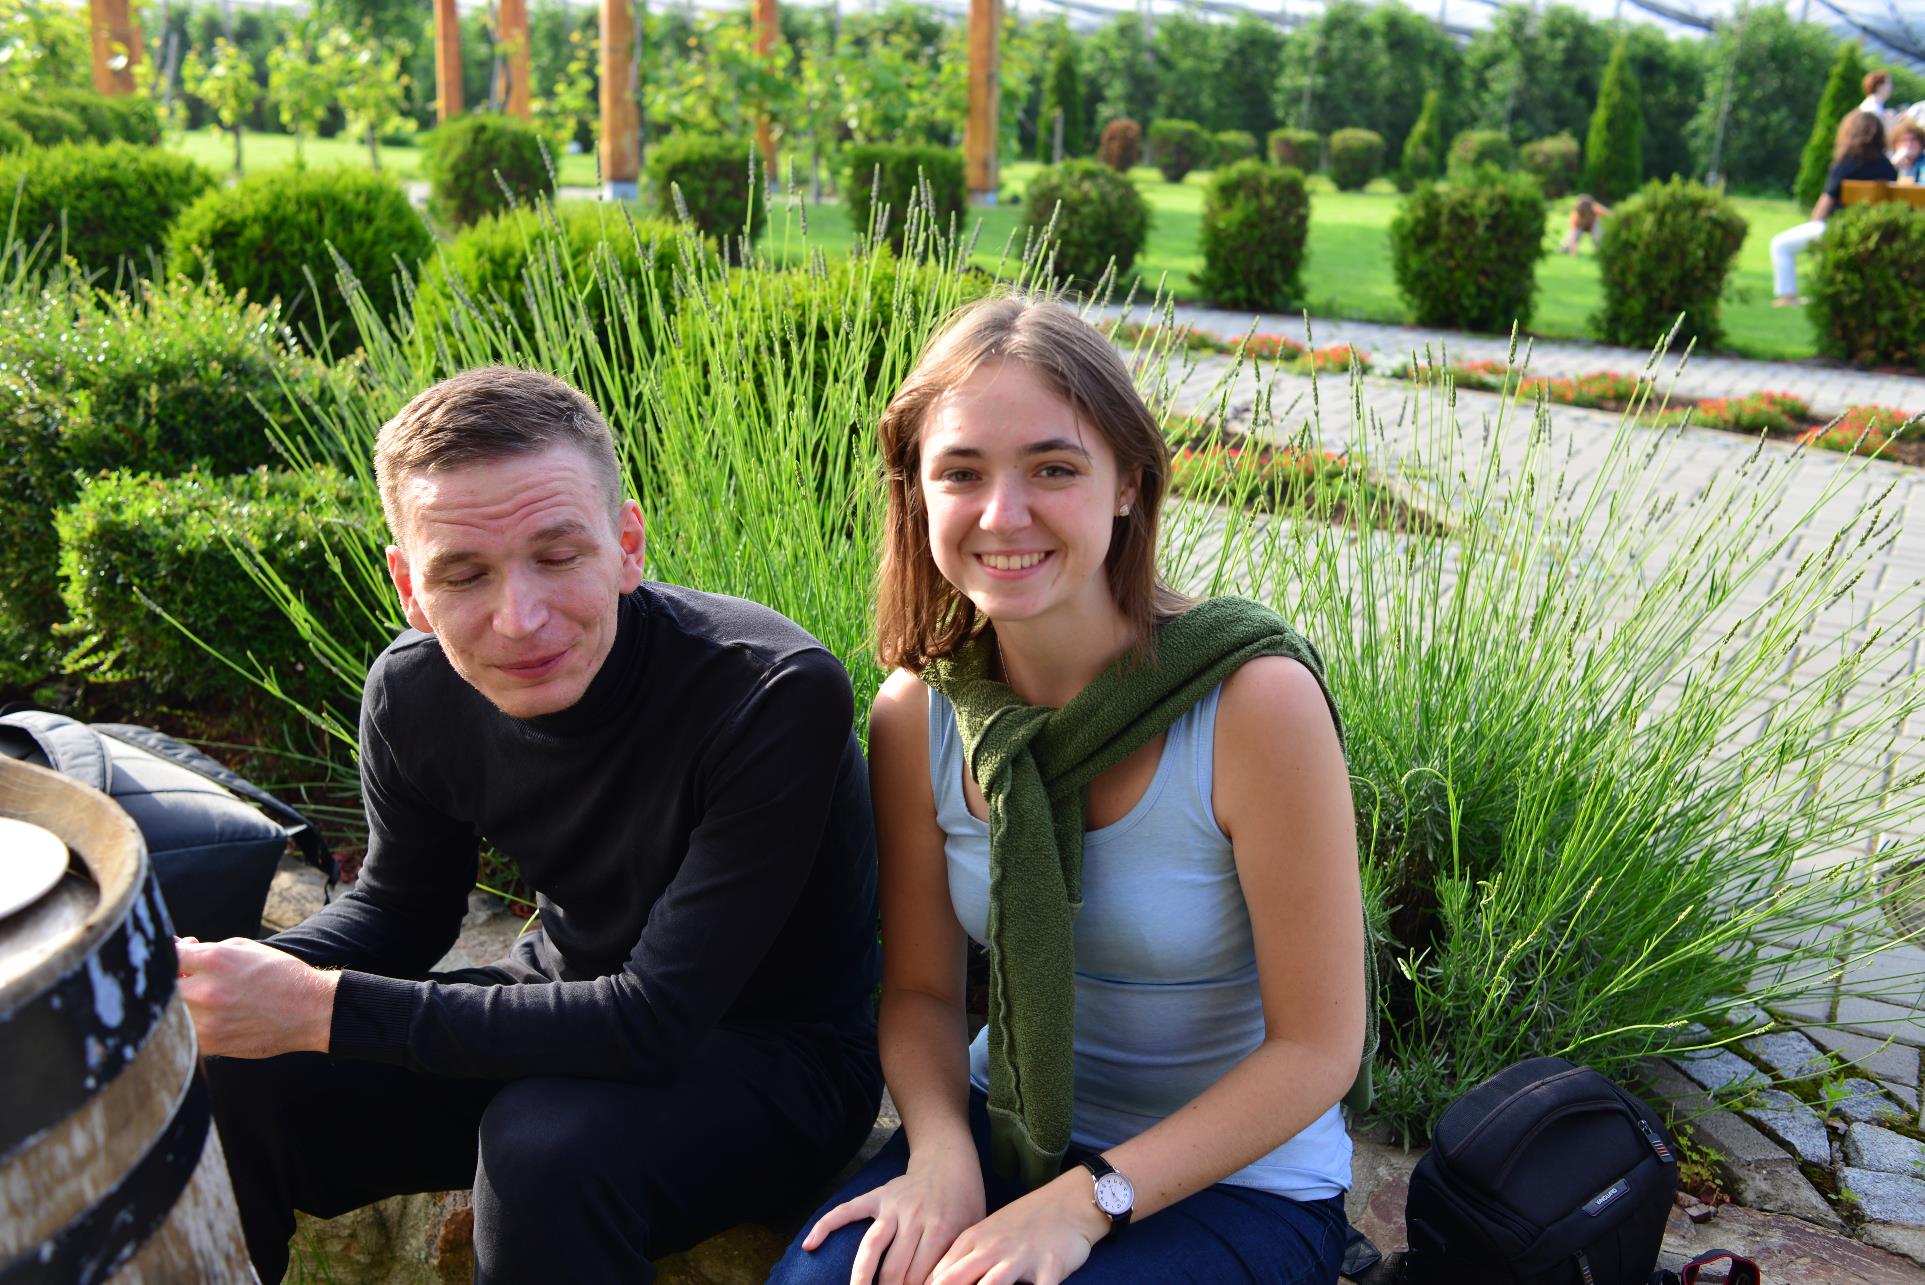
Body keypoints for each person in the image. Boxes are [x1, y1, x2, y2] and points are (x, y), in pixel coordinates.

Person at [178, 366, 884, 1282]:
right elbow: (402, 911)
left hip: (774, 1060)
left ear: (626, 545)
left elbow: (654, 1019)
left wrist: (321, 1008)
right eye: (462, 573)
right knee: (223, 1071)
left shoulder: (769, 692)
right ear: (409, 584)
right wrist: (213, 983)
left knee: (542, 1150)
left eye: (558, 556)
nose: (521, 618)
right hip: (566, 1007)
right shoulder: (416, 688)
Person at [770, 297, 1366, 1285]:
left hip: (1237, 1182)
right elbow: (919, 992)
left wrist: (1088, 1201)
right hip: (1001, 1128)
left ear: (1128, 482)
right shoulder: (917, 712)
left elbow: (1317, 1046)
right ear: (916, 492)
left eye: (1053, 467)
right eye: (961, 472)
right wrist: (940, 1156)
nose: (1004, 515)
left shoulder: (1251, 702)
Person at [1771, 110, 1898, 306]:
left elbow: (1827, 200)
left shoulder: (1846, 164)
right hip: (1873, 232)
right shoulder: (1888, 168)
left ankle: (1788, 297)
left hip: (1835, 228)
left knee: (1780, 244)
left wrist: (1812, 224)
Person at [1860, 70, 1900, 135]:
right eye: (1888, 84)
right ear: (1879, 86)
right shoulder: (1872, 107)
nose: (1891, 88)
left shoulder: (1873, 105)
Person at [1893, 118, 1925, 183]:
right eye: (1903, 140)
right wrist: (1893, 166)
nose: (1909, 144)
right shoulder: (1894, 165)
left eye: (1913, 140)